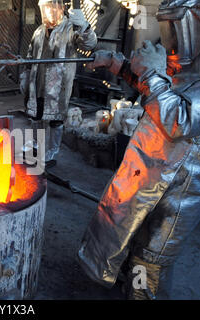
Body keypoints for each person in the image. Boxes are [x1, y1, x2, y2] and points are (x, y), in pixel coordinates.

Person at [77, 0, 200, 299]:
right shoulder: (187, 69)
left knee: (152, 259)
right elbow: (157, 90)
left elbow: (180, 123)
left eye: (174, 28)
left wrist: (151, 75)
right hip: (154, 174)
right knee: (132, 241)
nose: (169, 39)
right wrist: (118, 65)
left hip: (177, 191)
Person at [20, 0, 97, 168]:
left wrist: (85, 27)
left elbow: (90, 44)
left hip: (58, 85)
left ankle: (52, 152)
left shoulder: (70, 29)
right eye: (45, 9)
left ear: (61, 8)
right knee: (36, 115)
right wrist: (25, 76)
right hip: (37, 82)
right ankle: (35, 146)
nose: (49, 12)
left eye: (51, 8)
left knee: (56, 118)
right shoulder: (39, 31)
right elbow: (29, 55)